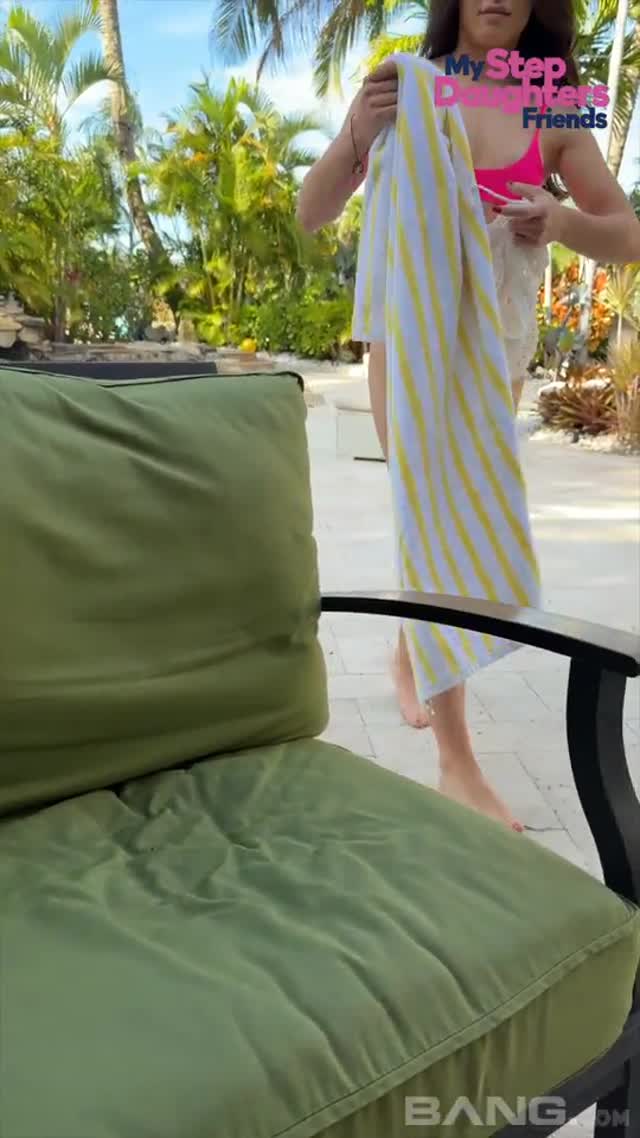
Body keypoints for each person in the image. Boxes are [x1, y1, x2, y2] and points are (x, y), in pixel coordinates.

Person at [297, 0, 640, 829]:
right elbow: (313, 211)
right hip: (410, 338)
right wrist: (355, 136)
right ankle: (457, 761)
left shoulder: (552, 107)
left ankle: (411, 650)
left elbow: (626, 233)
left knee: (449, 519)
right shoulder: (405, 89)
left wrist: (559, 220)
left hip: (496, 344)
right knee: (431, 518)